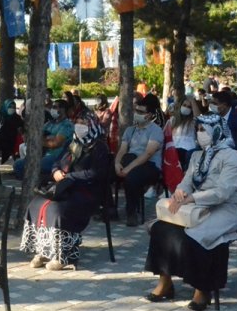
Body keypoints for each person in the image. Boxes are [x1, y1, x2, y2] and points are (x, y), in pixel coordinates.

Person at [144, 113, 237, 311]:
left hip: (225, 209)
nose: (199, 134)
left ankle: (202, 288)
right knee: (161, 228)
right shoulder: (198, 155)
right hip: (196, 206)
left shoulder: (233, 156)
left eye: (203, 130)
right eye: (197, 130)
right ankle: (165, 282)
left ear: (216, 131)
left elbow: (223, 192)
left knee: (196, 234)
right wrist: (180, 193)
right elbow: (187, 181)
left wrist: (192, 198)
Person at [21, 114, 110, 270]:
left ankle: (63, 255)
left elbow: (95, 173)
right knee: (36, 204)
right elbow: (58, 161)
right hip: (65, 187)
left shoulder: (99, 147)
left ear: (93, 126)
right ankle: (44, 250)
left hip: (87, 191)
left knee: (57, 211)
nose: (79, 127)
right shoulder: (73, 143)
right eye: (78, 123)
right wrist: (56, 171)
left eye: (84, 124)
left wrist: (69, 176)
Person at [114, 94, 164, 226]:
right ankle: (109, 209)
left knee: (132, 177)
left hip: (150, 165)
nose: (137, 114)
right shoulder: (130, 130)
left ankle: (132, 213)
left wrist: (127, 169)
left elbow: (148, 153)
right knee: (104, 172)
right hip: (129, 162)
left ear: (149, 115)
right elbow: (122, 150)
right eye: (136, 111)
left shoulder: (156, 130)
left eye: (141, 112)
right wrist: (117, 163)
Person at [13, 99, 74, 181]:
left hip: (56, 157)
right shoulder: (50, 123)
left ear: (63, 109)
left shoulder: (67, 125)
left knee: (31, 166)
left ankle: (39, 182)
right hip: (42, 154)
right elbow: (33, 137)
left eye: (55, 107)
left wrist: (42, 140)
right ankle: (34, 183)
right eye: (53, 107)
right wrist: (47, 139)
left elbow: (55, 143)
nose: (52, 109)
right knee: (18, 164)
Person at [0, 99, 23, 165]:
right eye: (10, 107)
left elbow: (21, 128)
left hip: (11, 139)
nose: (12, 109)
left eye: (13, 107)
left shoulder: (17, 117)